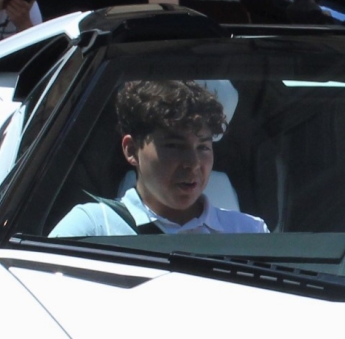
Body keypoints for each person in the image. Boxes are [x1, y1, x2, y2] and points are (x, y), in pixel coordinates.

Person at [53, 80, 268, 236]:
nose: (192, 163)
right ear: (131, 150)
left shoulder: (250, 232)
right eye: (174, 146)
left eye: (203, 147)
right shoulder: (92, 227)